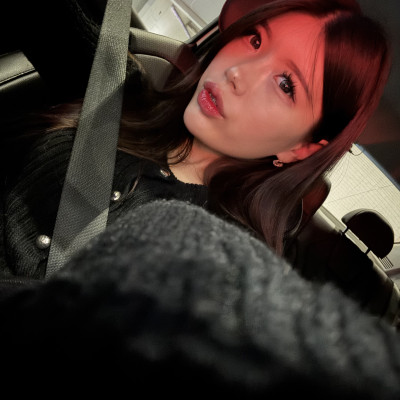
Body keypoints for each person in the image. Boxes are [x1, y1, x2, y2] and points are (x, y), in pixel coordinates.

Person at [0, 1, 392, 298]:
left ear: (300, 149)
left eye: (285, 84)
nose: (237, 71)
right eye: (255, 39)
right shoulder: (123, 93)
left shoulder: (226, 269)